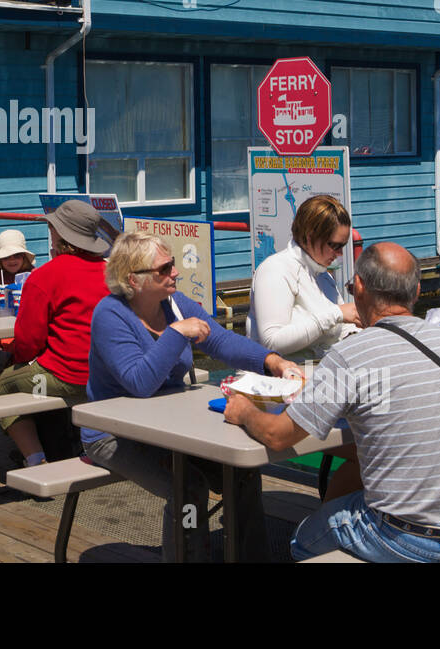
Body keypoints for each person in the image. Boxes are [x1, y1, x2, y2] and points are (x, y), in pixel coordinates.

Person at [226, 242, 440, 563]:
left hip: (408, 539)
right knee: (357, 468)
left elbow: (277, 436)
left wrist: (243, 410)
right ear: (418, 290)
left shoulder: (351, 355)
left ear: (359, 288)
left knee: (301, 540)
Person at [86, 230, 302, 561]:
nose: (175, 272)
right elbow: (139, 382)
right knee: (188, 487)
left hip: (173, 426)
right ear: (134, 279)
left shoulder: (173, 303)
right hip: (114, 434)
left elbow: (220, 341)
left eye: (172, 264)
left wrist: (271, 361)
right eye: (164, 268)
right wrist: (176, 333)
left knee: (242, 472)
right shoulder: (110, 315)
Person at [0, 200, 109, 468]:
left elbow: (28, 342)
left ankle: (36, 459)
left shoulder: (45, 276)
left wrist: (18, 362)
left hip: (70, 376)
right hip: (110, 374)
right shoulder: (111, 271)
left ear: (61, 234)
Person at [248, 194, 360, 359]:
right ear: (310, 236)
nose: (339, 253)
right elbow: (272, 342)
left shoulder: (323, 275)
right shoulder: (275, 270)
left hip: (316, 374)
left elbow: (341, 327)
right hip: (277, 380)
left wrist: (357, 335)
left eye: (342, 246)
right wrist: (336, 314)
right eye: (334, 245)